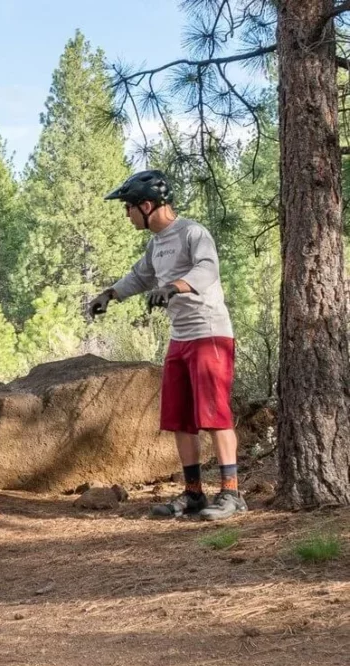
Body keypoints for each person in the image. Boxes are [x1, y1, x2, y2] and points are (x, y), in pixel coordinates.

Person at [89, 169, 245, 521]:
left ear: (146, 206)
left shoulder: (192, 232)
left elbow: (208, 270)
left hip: (209, 333)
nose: (126, 215)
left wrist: (174, 286)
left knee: (215, 414)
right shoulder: (156, 243)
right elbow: (141, 276)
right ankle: (194, 495)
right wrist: (110, 294)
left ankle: (232, 494)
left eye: (128, 208)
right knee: (179, 418)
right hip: (180, 338)